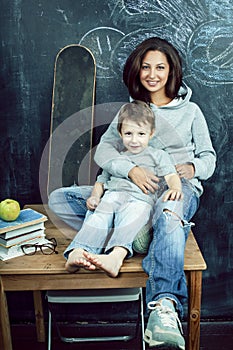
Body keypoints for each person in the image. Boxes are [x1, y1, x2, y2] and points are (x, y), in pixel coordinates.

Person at [48, 37, 216, 349]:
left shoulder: (191, 111)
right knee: (60, 198)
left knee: (169, 214)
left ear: (172, 71)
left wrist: (191, 168)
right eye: (146, 67)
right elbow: (104, 155)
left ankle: (164, 306)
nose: (152, 74)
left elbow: (209, 158)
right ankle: (137, 232)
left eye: (160, 67)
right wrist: (131, 170)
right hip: (128, 189)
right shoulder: (130, 111)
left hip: (175, 189)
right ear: (137, 71)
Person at [64, 100, 183, 278]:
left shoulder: (158, 155)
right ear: (120, 133)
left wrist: (175, 188)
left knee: (130, 220)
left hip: (139, 201)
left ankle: (115, 256)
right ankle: (78, 250)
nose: (134, 140)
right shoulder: (116, 158)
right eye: (128, 133)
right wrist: (94, 197)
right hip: (112, 196)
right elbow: (101, 182)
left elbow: (171, 175)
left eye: (141, 134)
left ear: (151, 134)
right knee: (98, 217)